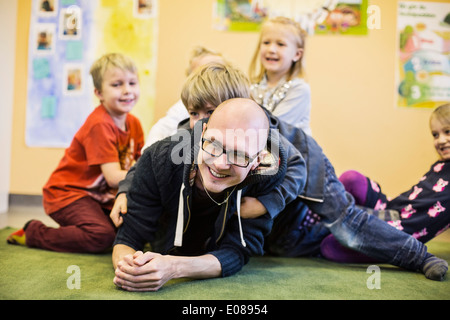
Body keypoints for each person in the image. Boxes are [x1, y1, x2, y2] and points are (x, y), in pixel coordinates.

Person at [112, 98, 306, 291]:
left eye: (238, 154)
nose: (220, 164)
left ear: (257, 160)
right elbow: (128, 238)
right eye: (214, 144)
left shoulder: (266, 177)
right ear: (203, 133)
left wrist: (174, 267)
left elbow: (237, 251)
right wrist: (129, 269)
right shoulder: (159, 159)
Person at [7, 53, 144, 253]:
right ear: (99, 93)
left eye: (132, 83)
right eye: (117, 85)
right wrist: (152, 174)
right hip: (68, 194)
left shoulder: (135, 124)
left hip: (98, 197)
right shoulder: (100, 124)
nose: (127, 91)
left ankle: (85, 226)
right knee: (101, 235)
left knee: (127, 227)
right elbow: (115, 177)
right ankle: (33, 232)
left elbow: (139, 165)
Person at [321, 103, 450, 262]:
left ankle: (319, 227)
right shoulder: (440, 165)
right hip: (391, 208)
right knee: (351, 178)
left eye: (447, 132)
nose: (441, 140)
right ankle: (322, 216)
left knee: (330, 246)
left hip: (397, 233)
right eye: (435, 135)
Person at [145, 46, 226, 148]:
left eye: (216, 73)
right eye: (202, 74)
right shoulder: (182, 107)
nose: (208, 79)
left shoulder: (229, 102)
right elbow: (161, 129)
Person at [249, 16, 312, 135]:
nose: (271, 49)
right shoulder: (251, 86)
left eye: (280, 44)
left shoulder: (299, 89)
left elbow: (273, 128)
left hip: (287, 152)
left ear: (297, 54)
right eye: (266, 42)